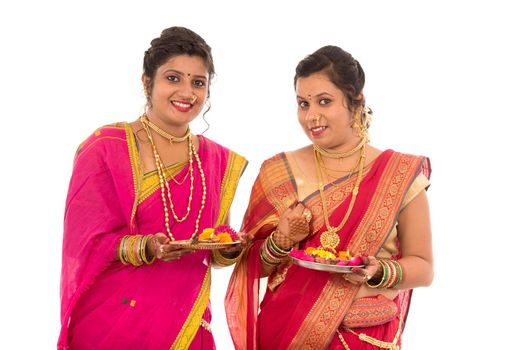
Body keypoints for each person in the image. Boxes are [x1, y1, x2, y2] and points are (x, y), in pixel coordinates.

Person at [225, 45, 433, 349]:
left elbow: (424, 267)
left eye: (324, 101)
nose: (312, 116)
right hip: (286, 333)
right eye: (303, 103)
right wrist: (280, 240)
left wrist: (379, 272)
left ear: (355, 102)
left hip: (364, 336)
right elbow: (248, 264)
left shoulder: (399, 174)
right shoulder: (277, 171)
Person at [58, 26, 247, 350]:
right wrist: (145, 247)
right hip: (112, 326)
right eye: (173, 78)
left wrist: (230, 248)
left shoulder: (215, 160)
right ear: (147, 82)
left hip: (186, 325)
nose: (187, 92)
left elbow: (215, 244)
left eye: (198, 82)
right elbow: (85, 242)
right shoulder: (106, 147)